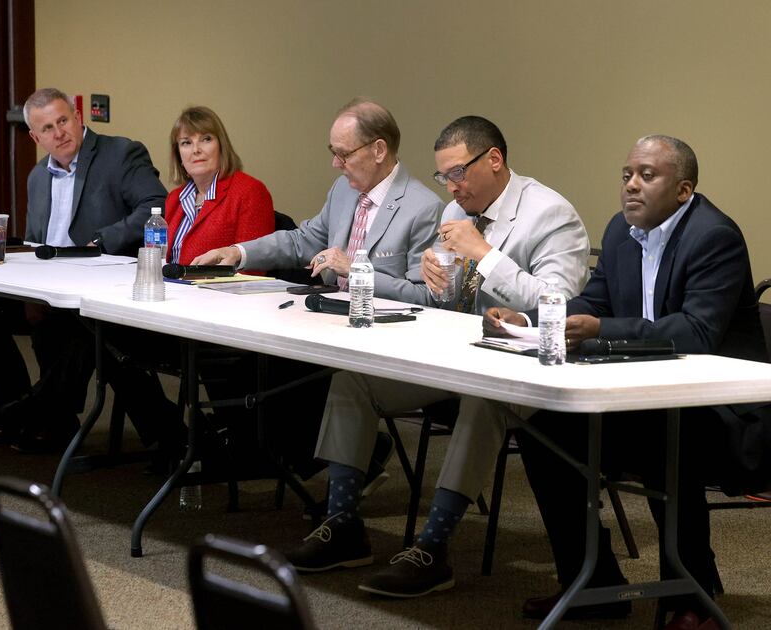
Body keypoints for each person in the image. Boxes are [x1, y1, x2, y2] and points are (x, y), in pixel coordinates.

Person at [283, 116, 590, 599]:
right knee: (353, 381)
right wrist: (433, 273)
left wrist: (484, 253)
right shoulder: (455, 211)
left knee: (484, 398)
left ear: (494, 159)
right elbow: (444, 301)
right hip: (454, 356)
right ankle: (342, 525)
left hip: (519, 367)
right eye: (443, 176)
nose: (451, 187)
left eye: (458, 173)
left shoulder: (550, 214)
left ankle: (432, 548)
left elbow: (559, 302)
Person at [486, 135, 766, 628]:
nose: (631, 185)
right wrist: (530, 319)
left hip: (721, 408)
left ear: (683, 190)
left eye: (647, 175)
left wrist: (602, 330)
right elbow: (595, 301)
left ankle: (692, 597)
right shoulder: (621, 230)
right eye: (626, 175)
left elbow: (697, 332)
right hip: (643, 396)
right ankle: (594, 586)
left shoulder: (714, 236)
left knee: (666, 440)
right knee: (545, 432)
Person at [0, 87, 168, 451]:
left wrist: (101, 240)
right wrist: (28, 292)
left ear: (78, 118)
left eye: (63, 121)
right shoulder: (37, 177)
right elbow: (34, 242)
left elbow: (155, 205)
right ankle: (21, 413)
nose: (59, 132)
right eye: (47, 128)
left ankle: (36, 414)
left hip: (100, 290)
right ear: (35, 137)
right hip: (49, 288)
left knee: (73, 329)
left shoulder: (120, 153)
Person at [191, 98, 443, 305]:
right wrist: (237, 252)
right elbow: (302, 241)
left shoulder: (424, 208)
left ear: (378, 150)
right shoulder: (343, 190)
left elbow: (425, 296)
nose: (335, 163)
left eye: (343, 154)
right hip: (327, 318)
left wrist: (355, 270)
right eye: (333, 152)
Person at [165, 106, 274, 266]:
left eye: (206, 139)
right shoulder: (174, 198)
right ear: (178, 155)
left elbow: (252, 269)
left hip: (219, 284)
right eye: (186, 142)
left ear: (222, 147)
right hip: (171, 282)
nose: (196, 150)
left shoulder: (249, 192)